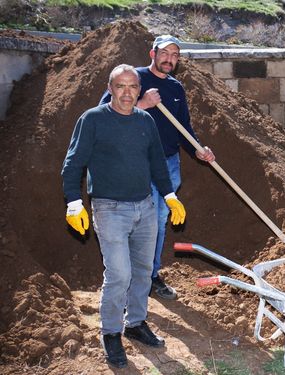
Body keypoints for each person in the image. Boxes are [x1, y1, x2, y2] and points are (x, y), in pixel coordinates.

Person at [62, 65, 188, 368]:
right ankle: (112, 334)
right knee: (119, 274)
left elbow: (158, 161)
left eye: (133, 86)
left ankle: (135, 323)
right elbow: (73, 163)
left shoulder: (145, 120)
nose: (128, 93)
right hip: (109, 209)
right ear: (111, 88)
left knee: (144, 270)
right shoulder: (93, 119)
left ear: (139, 90)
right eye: (121, 86)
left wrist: (170, 197)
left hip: (145, 206)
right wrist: (73, 203)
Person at [100, 35, 215, 300]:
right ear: (152, 54)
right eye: (165, 53)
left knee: (159, 221)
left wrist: (199, 149)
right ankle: (128, 279)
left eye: (175, 55)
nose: (170, 59)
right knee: (137, 221)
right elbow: (103, 114)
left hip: (168, 164)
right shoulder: (133, 79)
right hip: (135, 163)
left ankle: (150, 276)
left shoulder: (175, 88)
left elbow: (183, 127)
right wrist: (142, 104)